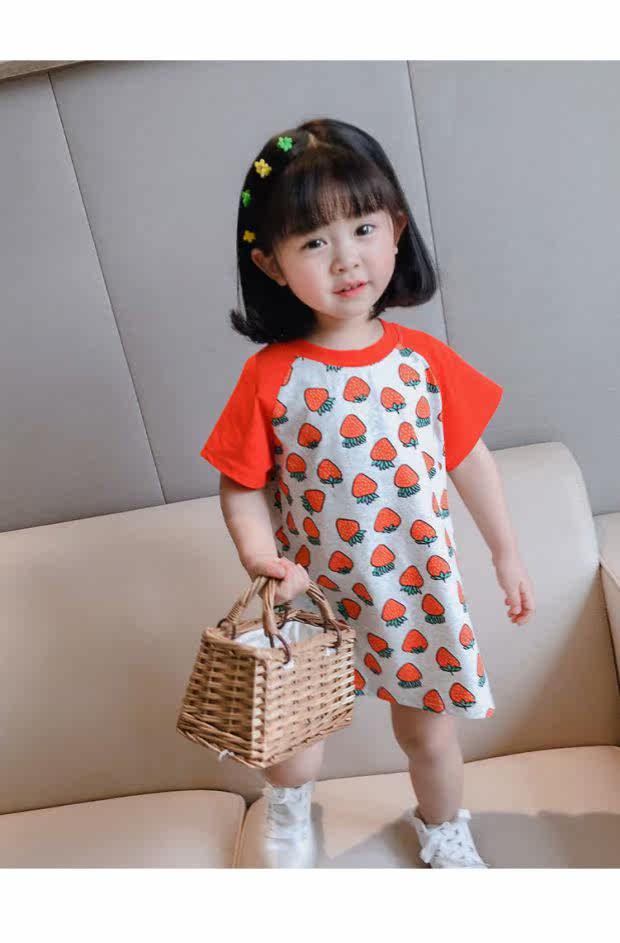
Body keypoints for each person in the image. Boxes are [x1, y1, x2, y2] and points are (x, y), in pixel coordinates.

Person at [200, 117, 535, 868]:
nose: (346, 257)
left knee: (429, 732)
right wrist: (259, 557)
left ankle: (444, 829)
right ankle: (289, 812)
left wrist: (507, 553)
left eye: (362, 228)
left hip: (416, 587)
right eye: (313, 242)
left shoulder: (424, 360)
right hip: (313, 595)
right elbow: (240, 484)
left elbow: (470, 460)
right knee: (297, 736)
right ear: (271, 263)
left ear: (397, 230)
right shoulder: (272, 376)